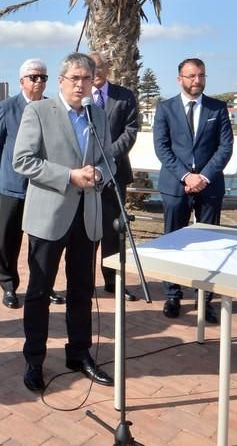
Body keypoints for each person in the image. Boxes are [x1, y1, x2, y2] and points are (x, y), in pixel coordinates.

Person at [12, 52, 115, 392]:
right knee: (39, 292)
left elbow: (109, 159)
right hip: (49, 216)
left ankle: (80, 353)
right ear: (61, 80)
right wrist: (69, 176)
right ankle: (34, 360)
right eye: (75, 78)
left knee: (82, 290)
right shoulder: (38, 111)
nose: (81, 84)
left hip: (87, 216)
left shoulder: (96, 114)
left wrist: (100, 172)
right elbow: (23, 161)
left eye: (87, 78)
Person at [153, 58, 233, 323]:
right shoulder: (165, 109)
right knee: (173, 242)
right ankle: (173, 295)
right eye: (191, 76)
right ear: (180, 79)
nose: (196, 81)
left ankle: (204, 298)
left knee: (210, 245)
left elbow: (225, 147)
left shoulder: (217, 108)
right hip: (175, 186)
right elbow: (162, 148)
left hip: (209, 188)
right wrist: (187, 176)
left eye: (201, 76)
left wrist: (204, 177)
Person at [0, 59, 65, 309]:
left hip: (43, 188)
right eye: (34, 77)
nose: (39, 81)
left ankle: (44, 286)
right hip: (13, 187)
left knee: (43, 241)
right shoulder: (6, 108)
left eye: (43, 77)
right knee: (9, 239)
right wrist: (11, 169)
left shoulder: (53, 108)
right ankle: (9, 286)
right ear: (22, 81)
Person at [87, 52, 140, 302]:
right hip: (85, 174)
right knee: (86, 230)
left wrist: (108, 156)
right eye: (90, 67)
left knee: (114, 230)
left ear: (108, 68)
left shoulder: (124, 96)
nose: (95, 72)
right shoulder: (80, 95)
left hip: (116, 172)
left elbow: (130, 131)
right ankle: (84, 282)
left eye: (99, 67)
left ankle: (112, 281)